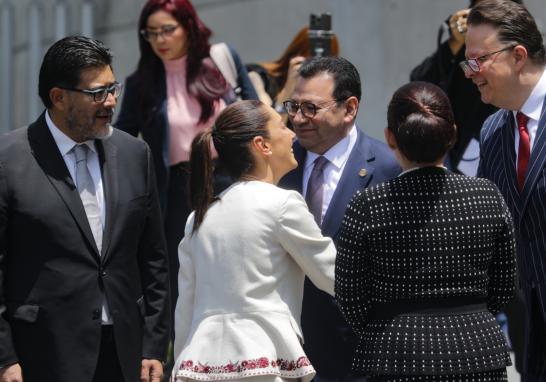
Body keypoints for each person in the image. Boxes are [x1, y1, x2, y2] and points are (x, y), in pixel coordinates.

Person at [0, 36, 170, 382]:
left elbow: (154, 258)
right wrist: (4, 358)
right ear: (59, 98)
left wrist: (154, 344)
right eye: (96, 93)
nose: (110, 102)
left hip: (125, 353)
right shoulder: (9, 160)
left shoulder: (136, 155)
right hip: (42, 354)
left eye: (112, 88)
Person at [336, 81, 517, 381]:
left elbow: (350, 295)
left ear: (390, 138)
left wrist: (386, 327)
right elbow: (504, 286)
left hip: (396, 355)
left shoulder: (368, 204)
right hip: (477, 352)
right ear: (453, 134)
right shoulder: (487, 195)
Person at [171, 100, 336, 382]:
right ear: (263, 145)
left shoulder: (198, 217)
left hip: (198, 365)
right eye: (282, 126)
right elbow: (335, 276)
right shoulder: (282, 203)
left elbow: (185, 305)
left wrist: (179, 367)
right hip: (264, 360)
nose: (292, 133)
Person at [115, 0, 258, 319]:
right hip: (175, 191)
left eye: (168, 30)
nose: (160, 40)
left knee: (237, 270)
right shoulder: (140, 84)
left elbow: (255, 114)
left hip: (228, 181)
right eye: (151, 33)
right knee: (184, 283)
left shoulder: (221, 60)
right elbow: (120, 140)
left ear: (188, 27)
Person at [279, 56, 400, 382]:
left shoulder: (388, 168)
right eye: (293, 107)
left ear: (349, 108)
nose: (299, 119)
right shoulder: (278, 165)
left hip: (362, 355)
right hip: (291, 350)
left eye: (311, 108)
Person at [462, 0, 546, 379]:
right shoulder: (494, 130)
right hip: (529, 335)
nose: (470, 73)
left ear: (518, 56)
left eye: (478, 61)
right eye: (467, 63)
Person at [409, 1, 527, 170]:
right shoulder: (470, 55)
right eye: (482, 13)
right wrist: (455, 42)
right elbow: (421, 82)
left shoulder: (521, 49)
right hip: (466, 148)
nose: (471, 72)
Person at [246, 26, 339, 110]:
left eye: (326, 65)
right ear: (298, 54)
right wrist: (289, 87)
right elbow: (268, 125)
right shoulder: (258, 77)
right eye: (312, 61)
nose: (316, 70)